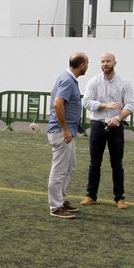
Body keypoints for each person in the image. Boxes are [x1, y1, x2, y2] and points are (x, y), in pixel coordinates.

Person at [81, 53, 134, 209]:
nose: (105, 64)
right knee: (94, 162)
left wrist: (117, 118)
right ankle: (91, 195)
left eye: (108, 61)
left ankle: (119, 198)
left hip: (116, 126)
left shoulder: (125, 83)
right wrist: (105, 105)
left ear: (115, 63)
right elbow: (86, 102)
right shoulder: (94, 82)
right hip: (98, 125)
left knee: (117, 163)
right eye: (102, 61)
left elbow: (130, 105)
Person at [47, 52, 89, 219]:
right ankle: (55, 207)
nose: (87, 66)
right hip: (61, 132)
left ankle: (62, 200)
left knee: (70, 167)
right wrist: (64, 129)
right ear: (82, 65)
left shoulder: (67, 78)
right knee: (59, 170)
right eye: (87, 63)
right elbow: (58, 103)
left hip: (66, 132)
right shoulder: (67, 80)